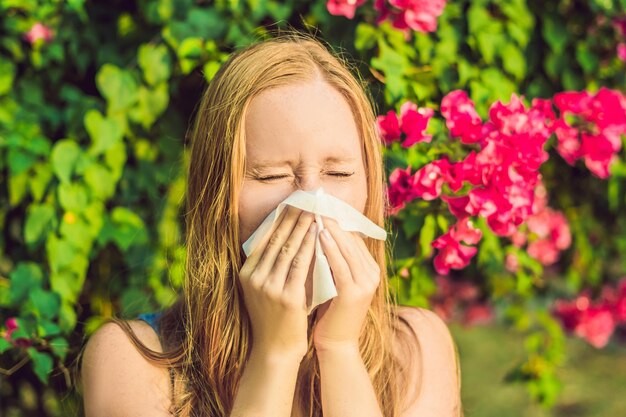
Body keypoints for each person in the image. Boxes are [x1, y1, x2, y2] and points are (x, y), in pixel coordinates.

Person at [79, 31, 462, 417]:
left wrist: (340, 350)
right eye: (270, 176)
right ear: (216, 196)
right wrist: (275, 356)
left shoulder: (416, 350)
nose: (312, 203)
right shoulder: (133, 361)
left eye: (339, 172)